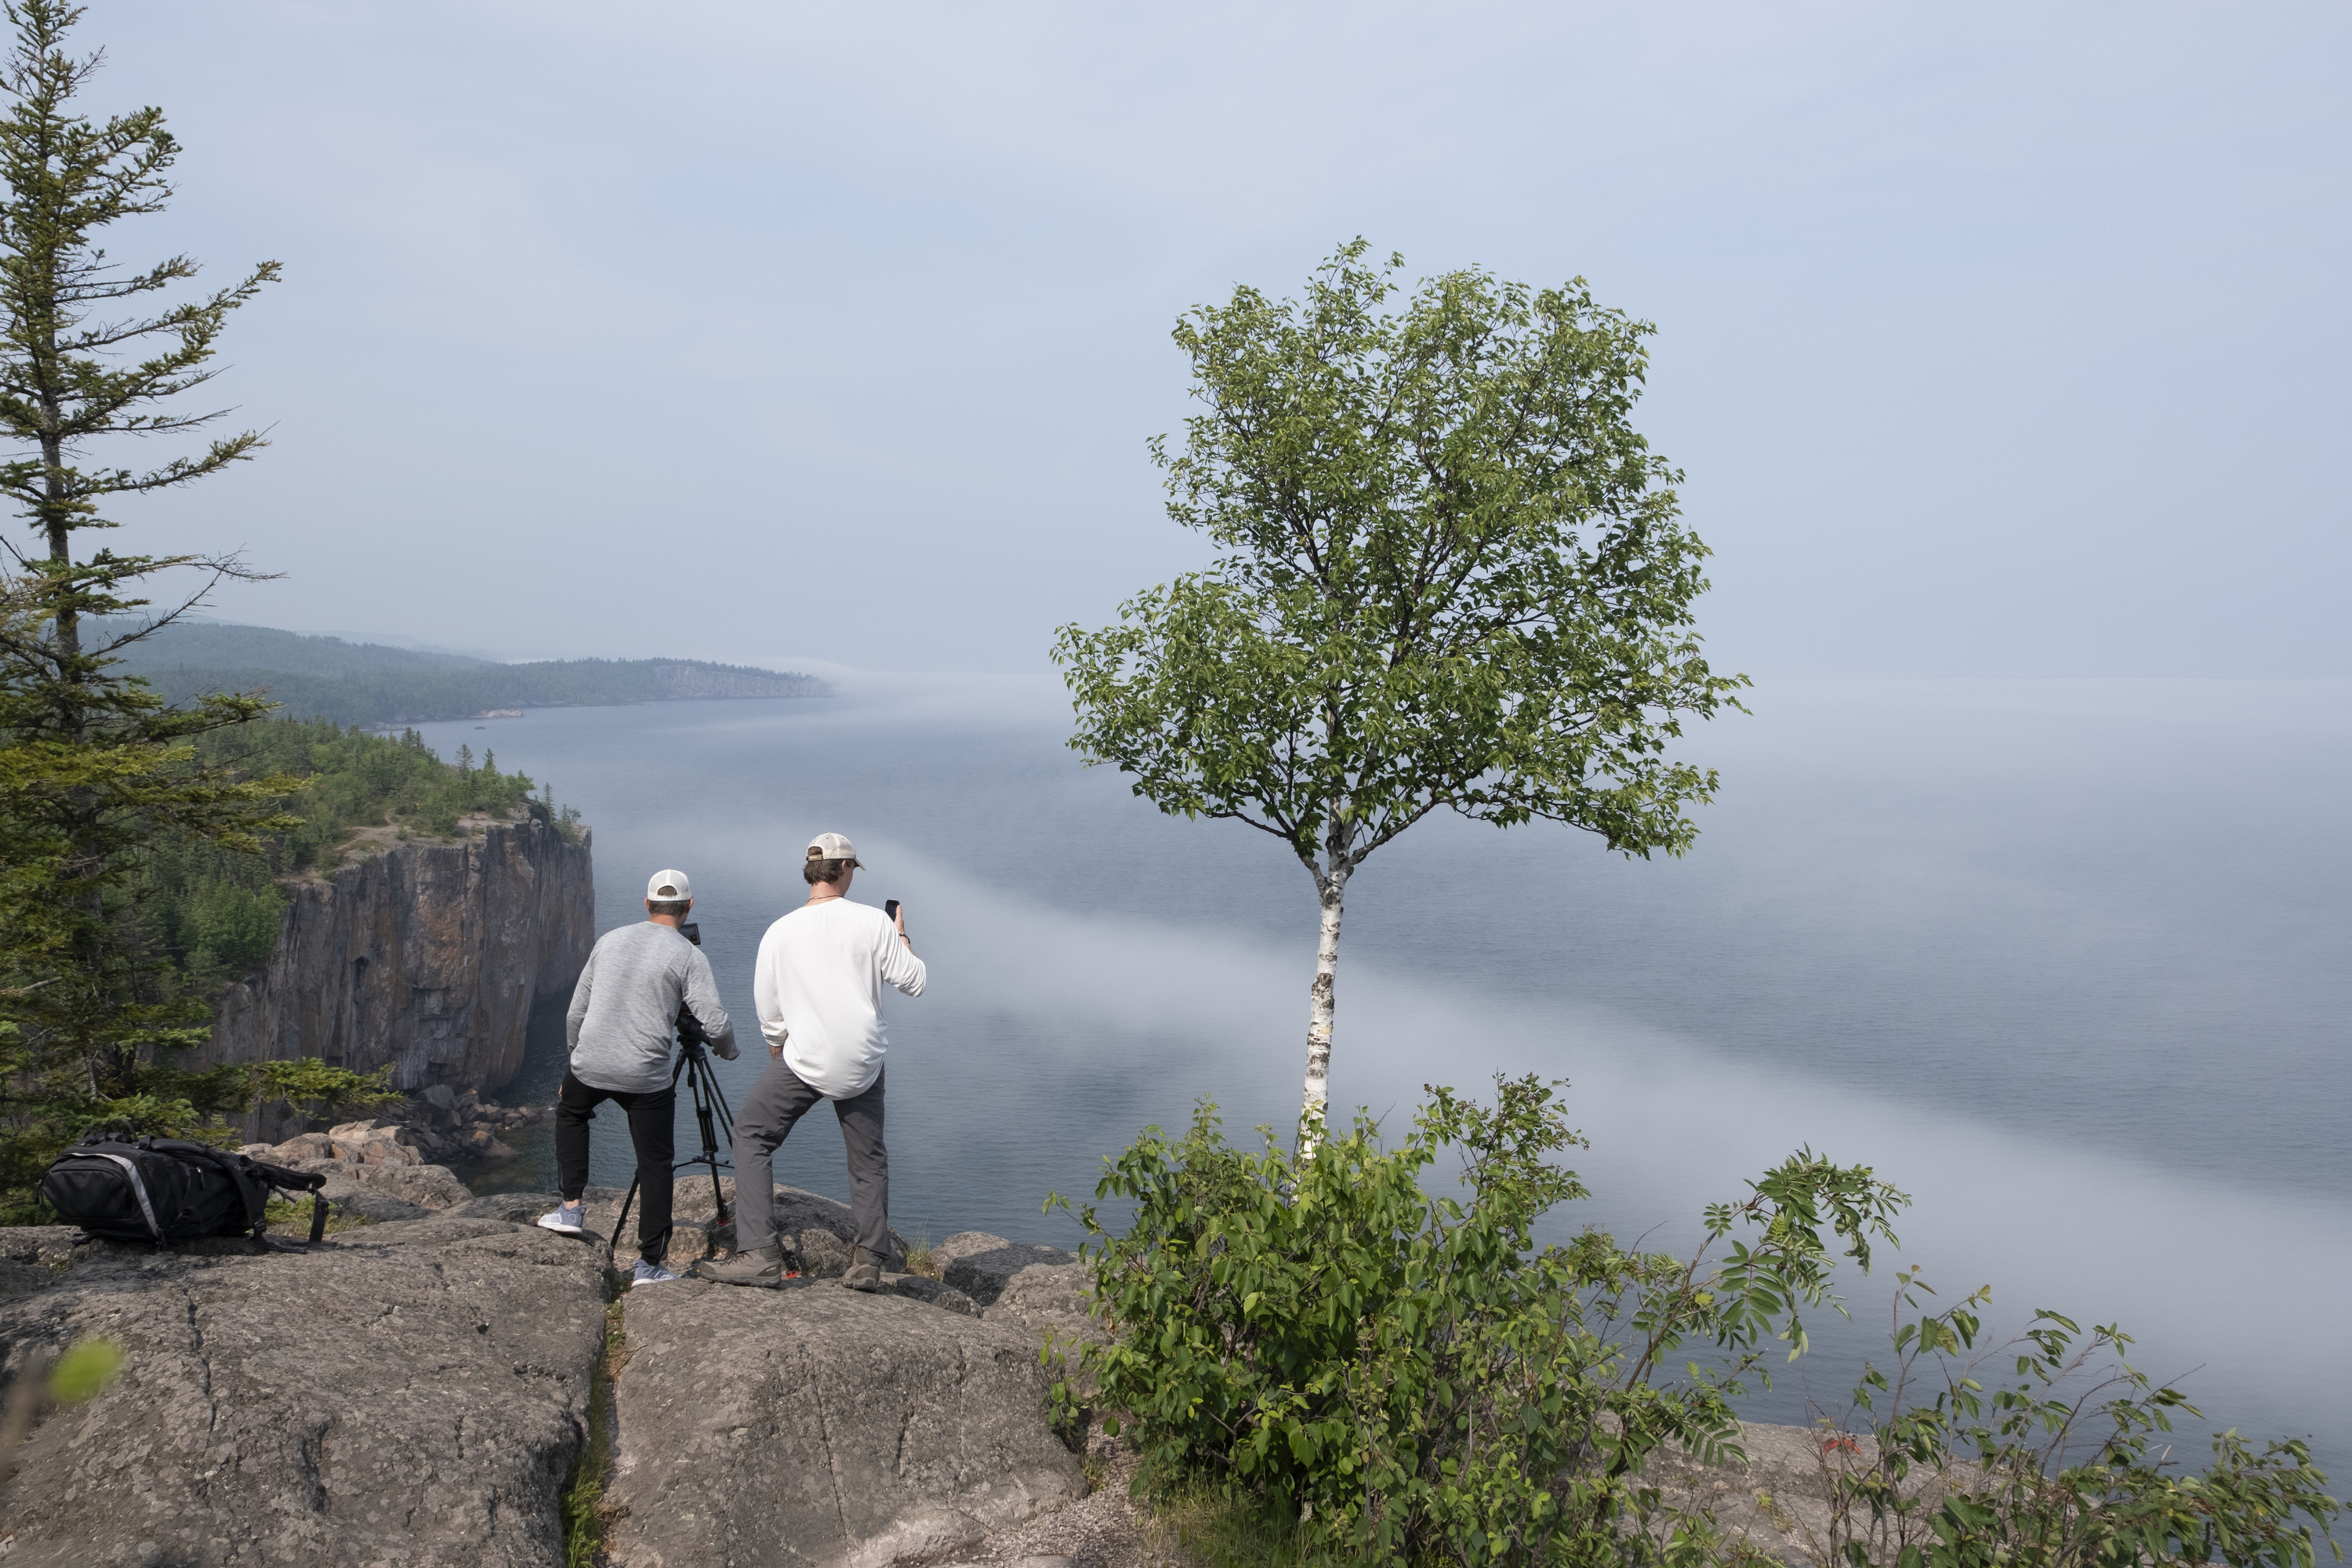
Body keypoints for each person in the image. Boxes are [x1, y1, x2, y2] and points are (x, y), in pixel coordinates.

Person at [700, 832, 924, 1291]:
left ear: (812, 871)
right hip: (862, 1061)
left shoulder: (779, 931)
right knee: (868, 1159)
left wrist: (777, 1044)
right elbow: (915, 981)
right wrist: (900, 933)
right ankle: (867, 1261)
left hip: (804, 1059)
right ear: (844, 869)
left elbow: (768, 1004)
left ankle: (759, 1254)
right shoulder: (872, 923)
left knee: (751, 1134)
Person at [539, 868, 738, 1286]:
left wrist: (575, 1061)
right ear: (688, 908)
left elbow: (576, 1011)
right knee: (655, 1163)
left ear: (646, 905)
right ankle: (648, 1265)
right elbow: (715, 1023)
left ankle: (571, 1209)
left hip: (590, 1064)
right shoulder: (688, 955)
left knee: (571, 1113)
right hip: (645, 1076)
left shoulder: (609, 940)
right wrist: (728, 1050)